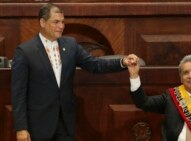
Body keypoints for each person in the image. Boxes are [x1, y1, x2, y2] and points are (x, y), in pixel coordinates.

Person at [11, 3, 139, 141]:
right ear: (42, 22)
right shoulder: (25, 51)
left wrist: (122, 62)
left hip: (66, 123)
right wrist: (21, 128)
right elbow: (18, 94)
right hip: (39, 125)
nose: (61, 26)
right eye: (56, 22)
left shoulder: (70, 45)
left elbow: (94, 65)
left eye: (62, 22)